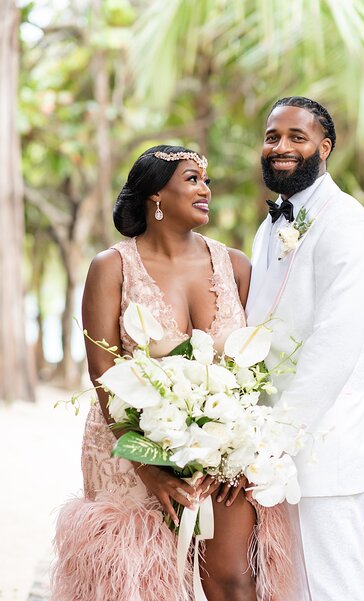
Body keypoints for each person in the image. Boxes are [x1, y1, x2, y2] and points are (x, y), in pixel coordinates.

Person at [51, 145, 299, 601]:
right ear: (155, 195)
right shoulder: (112, 267)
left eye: (206, 180)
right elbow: (103, 369)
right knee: (139, 584)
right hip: (131, 446)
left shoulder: (236, 265)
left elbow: (257, 365)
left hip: (223, 451)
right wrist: (150, 470)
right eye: (192, 179)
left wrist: (243, 443)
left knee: (234, 579)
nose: (205, 189)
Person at [246, 96, 364, 600]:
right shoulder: (269, 227)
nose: (280, 147)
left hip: (324, 440)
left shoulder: (346, 221)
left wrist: (277, 438)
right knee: (284, 585)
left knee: (332, 585)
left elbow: (336, 342)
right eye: (272, 137)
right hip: (266, 443)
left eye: (296, 137)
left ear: (324, 148)